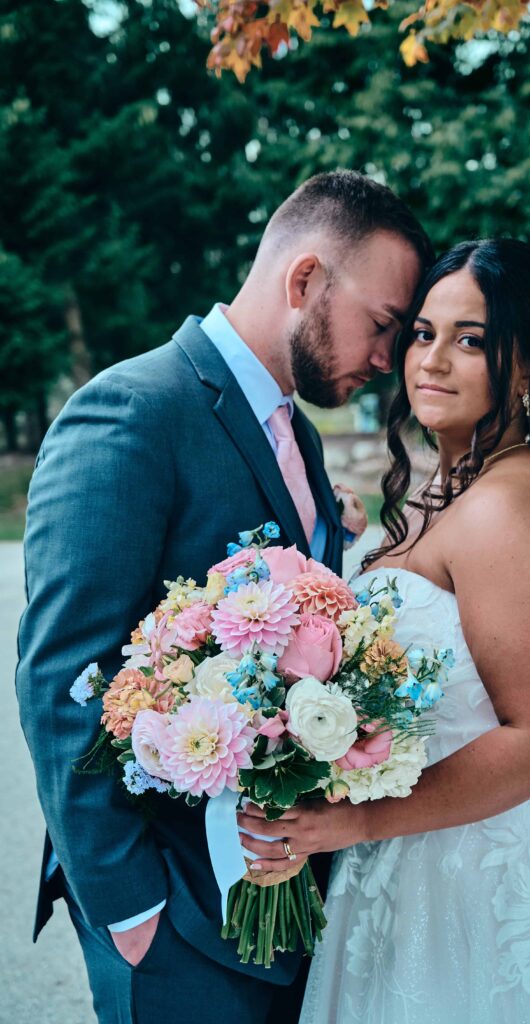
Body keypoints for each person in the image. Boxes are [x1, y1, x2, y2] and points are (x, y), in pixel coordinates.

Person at [15, 170, 431, 1024]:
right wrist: (134, 914)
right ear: (305, 279)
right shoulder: (132, 411)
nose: (389, 359)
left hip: (280, 907)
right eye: (383, 325)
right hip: (174, 927)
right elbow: (61, 676)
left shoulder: (299, 437)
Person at [237, 239, 530, 1023]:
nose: (432, 360)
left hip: (490, 891)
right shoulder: (449, 491)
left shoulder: (515, 504)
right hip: (410, 869)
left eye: (470, 339)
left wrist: (356, 820)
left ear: (528, 366)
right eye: (421, 333)